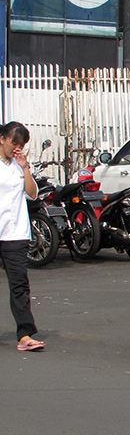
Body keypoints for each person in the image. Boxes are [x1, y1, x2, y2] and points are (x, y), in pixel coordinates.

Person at [0, 121, 43, 352]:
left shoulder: (19, 166)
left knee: (19, 285)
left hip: (16, 233)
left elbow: (32, 194)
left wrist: (25, 168)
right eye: (14, 142)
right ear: (2, 139)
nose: (17, 148)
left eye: (22, 144)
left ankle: (25, 335)